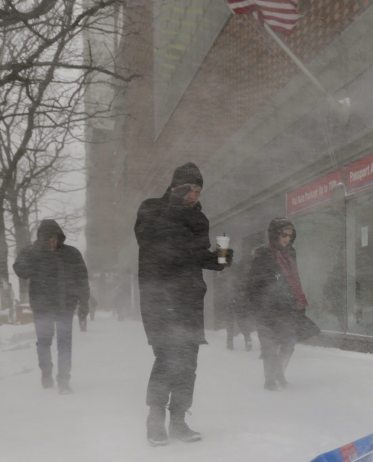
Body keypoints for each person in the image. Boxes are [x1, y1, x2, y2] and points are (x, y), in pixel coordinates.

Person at [135, 162, 230, 445]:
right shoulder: (151, 208)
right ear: (174, 187)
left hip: (189, 299)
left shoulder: (199, 219)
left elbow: (195, 256)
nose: (193, 195)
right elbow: (153, 242)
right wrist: (175, 206)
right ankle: (155, 421)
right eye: (188, 189)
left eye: (198, 190)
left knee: (188, 361)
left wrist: (218, 260)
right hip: (159, 297)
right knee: (167, 358)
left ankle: (178, 420)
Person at [13, 219, 90, 394]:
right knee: (44, 342)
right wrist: (33, 253)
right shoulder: (33, 253)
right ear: (41, 239)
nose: (52, 243)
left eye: (55, 239)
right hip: (42, 307)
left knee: (64, 344)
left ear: (60, 238)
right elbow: (21, 271)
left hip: (65, 306)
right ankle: (46, 371)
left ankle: (63, 379)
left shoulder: (71, 254)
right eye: (48, 240)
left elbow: (82, 279)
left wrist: (84, 302)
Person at [246, 218, 320, 391]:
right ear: (275, 235)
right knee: (270, 346)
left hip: (288, 307)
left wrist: (295, 300)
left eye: (290, 235)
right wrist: (264, 301)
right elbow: (252, 284)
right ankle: (270, 382)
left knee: (289, 343)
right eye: (284, 235)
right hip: (268, 309)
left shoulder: (290, 253)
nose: (288, 239)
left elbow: (294, 278)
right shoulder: (263, 254)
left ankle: (279, 373)